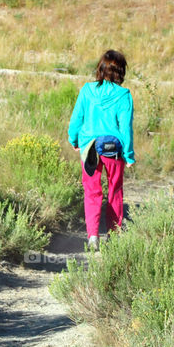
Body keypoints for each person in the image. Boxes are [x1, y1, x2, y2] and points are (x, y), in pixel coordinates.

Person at [67, 50, 134, 251]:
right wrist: (129, 155)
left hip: (89, 148)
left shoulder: (87, 91)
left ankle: (93, 236)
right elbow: (125, 129)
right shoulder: (124, 95)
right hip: (114, 150)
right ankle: (113, 236)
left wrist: (74, 139)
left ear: (101, 69)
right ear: (121, 71)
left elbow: (76, 119)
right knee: (115, 192)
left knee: (92, 192)